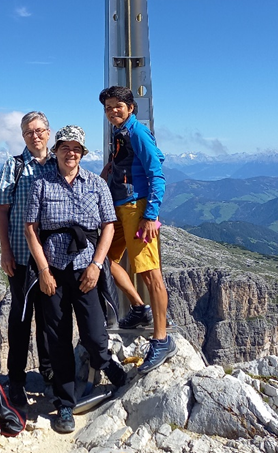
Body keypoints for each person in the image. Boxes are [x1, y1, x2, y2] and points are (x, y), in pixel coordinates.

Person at [24, 125, 126, 434]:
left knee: (95, 333)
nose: (71, 153)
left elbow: (109, 225)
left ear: (83, 152)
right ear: (55, 150)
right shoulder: (41, 185)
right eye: (65, 147)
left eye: (76, 148)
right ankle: (64, 404)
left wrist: (96, 265)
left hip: (86, 270)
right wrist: (43, 270)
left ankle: (106, 363)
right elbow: (32, 228)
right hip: (53, 271)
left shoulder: (96, 184)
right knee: (58, 339)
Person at [99, 85, 176, 375]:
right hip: (119, 206)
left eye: (118, 106)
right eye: (108, 107)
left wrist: (150, 215)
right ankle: (138, 306)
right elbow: (133, 161)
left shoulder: (137, 132)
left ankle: (161, 339)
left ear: (131, 107)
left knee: (149, 272)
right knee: (105, 258)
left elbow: (158, 172)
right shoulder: (121, 134)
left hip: (136, 208)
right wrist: (110, 168)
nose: (112, 111)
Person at [0, 111, 56, 407]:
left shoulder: (59, 164)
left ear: (49, 132)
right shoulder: (14, 167)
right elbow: (2, 210)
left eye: (40, 130)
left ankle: (49, 373)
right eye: (29, 131)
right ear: (23, 137)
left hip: (53, 260)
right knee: (20, 320)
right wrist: (5, 250)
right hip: (20, 256)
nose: (35, 135)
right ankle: (16, 380)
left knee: (50, 318)